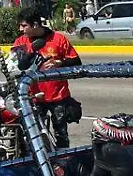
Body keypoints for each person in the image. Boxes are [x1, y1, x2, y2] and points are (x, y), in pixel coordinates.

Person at [14, 7, 82, 149]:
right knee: (34, 138)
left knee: (61, 136)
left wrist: (60, 63)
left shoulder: (59, 39)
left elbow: (76, 62)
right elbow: (16, 67)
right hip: (33, 98)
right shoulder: (20, 42)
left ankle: (64, 164)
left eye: (24, 25)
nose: (21, 29)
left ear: (35, 25)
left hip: (58, 97)